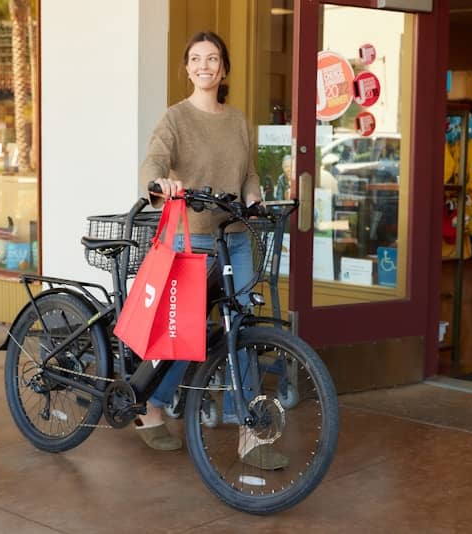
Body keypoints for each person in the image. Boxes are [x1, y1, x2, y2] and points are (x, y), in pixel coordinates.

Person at [136, 31, 288, 470]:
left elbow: (249, 175)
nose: (205, 66)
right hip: (190, 237)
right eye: (196, 58)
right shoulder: (175, 119)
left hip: (235, 237)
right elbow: (154, 161)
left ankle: (251, 433)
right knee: (183, 335)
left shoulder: (238, 121)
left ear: (224, 69)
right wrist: (159, 183)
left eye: (213, 59)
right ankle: (150, 407)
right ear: (187, 68)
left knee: (239, 330)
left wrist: (255, 197)